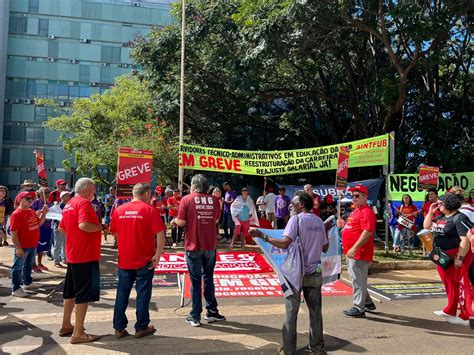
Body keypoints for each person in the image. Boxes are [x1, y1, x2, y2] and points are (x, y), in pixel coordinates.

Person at [250, 193, 329, 355]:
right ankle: (317, 348)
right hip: (315, 273)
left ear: (301, 205)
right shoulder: (319, 221)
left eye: (294, 202)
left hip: (295, 274)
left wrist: (263, 236)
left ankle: (288, 350)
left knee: (291, 313)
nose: (291, 205)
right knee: (315, 313)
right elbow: (325, 248)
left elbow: (285, 243)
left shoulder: (296, 220)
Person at [110, 183, 166, 339]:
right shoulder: (150, 211)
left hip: (125, 260)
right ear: (147, 194)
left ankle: (118, 328)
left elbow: (113, 232)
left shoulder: (119, 210)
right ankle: (141, 327)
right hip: (145, 260)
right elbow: (160, 235)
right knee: (143, 294)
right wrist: (157, 255)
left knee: (122, 294)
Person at [171, 174, 225, 327]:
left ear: (193, 186)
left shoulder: (187, 199)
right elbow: (215, 220)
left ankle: (195, 316)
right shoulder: (214, 200)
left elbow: (181, 222)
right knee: (208, 278)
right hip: (210, 245)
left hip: (193, 246)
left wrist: (174, 221)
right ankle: (212, 311)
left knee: (195, 281)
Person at [58, 177, 105, 344]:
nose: (94, 192)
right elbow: (84, 225)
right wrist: (101, 227)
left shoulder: (69, 204)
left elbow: (61, 228)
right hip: (85, 255)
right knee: (82, 295)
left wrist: (74, 239)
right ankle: (78, 333)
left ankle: (66, 325)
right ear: (86, 189)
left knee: (70, 292)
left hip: (73, 254)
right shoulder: (83, 203)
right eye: (93, 189)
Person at [423, 193, 472, 326]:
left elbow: (465, 240)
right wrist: (430, 212)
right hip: (442, 257)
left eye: (440, 203)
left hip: (456, 256)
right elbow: (426, 226)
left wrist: (460, 258)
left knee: (462, 286)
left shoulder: (460, 218)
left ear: (449, 203)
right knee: (449, 284)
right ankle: (450, 310)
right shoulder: (441, 217)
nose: (438, 205)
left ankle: (464, 317)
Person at [337, 184, 377, 318]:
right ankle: (367, 302)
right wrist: (343, 225)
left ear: (365, 197)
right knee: (357, 279)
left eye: (357, 196)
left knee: (357, 280)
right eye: (352, 195)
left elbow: (368, 232)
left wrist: (354, 248)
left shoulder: (366, 211)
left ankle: (358, 308)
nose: (353, 198)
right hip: (352, 252)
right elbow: (354, 227)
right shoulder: (357, 210)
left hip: (359, 253)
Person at [10, 191, 48, 297]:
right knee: (17, 267)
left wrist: (44, 214)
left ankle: (27, 282)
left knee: (28, 265)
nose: (30, 200)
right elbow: (14, 232)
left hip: (32, 244)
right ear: (20, 199)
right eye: (27, 198)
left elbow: (39, 223)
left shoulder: (31, 211)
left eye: (31, 198)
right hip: (23, 245)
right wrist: (18, 248)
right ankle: (16, 288)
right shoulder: (17, 214)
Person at [31, 187, 53, 271]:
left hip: (47, 227)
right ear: (39, 194)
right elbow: (31, 212)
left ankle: (39, 263)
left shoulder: (49, 203)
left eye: (48, 192)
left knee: (42, 246)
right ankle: (33, 264)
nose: (47, 194)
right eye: (45, 192)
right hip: (38, 227)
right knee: (35, 246)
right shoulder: (36, 202)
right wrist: (40, 211)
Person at [51, 191, 71, 268]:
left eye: (69, 196)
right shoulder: (57, 206)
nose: (68, 197)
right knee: (57, 244)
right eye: (66, 196)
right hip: (58, 227)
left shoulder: (69, 205)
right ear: (62, 197)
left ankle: (64, 259)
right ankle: (56, 261)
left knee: (65, 244)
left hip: (67, 227)